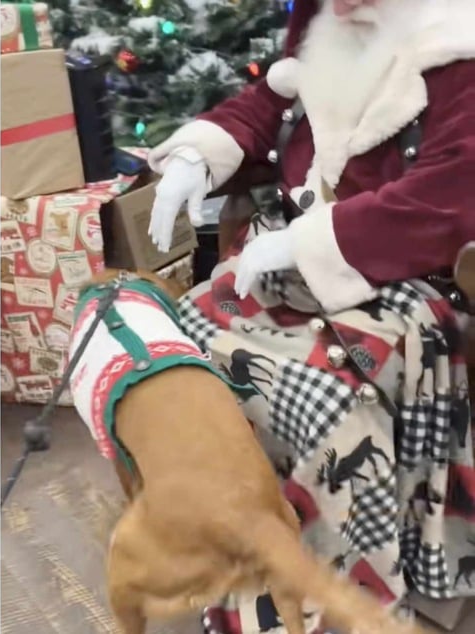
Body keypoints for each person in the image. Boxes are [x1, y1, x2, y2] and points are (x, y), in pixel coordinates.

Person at [147, 0, 475, 632]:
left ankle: (338, 603)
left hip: (406, 279)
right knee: (180, 339)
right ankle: (236, 553)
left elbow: (454, 194)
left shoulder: (456, 41)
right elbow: (276, 101)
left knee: (326, 409)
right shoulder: (328, 17)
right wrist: (202, 150)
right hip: (296, 267)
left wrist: (312, 241)